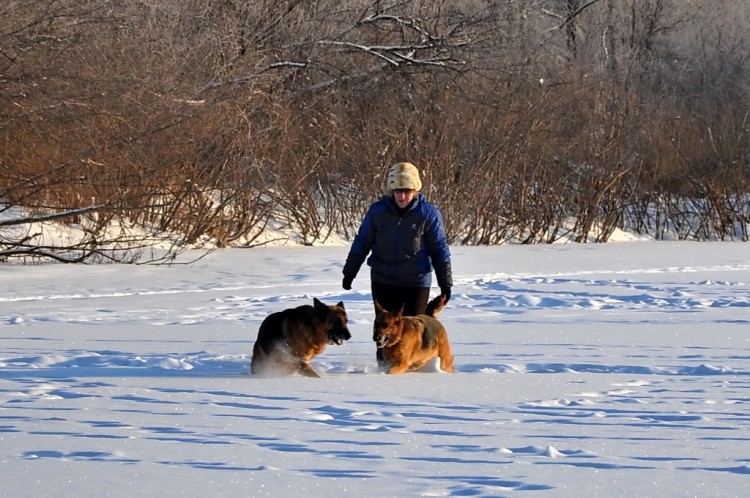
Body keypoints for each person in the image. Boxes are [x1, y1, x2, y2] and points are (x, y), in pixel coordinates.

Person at [342, 162, 453, 365]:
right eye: (398, 191)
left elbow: (439, 249)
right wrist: (350, 271)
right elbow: (362, 242)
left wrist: (445, 282)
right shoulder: (378, 212)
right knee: (383, 329)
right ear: (392, 191)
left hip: (416, 282)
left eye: (407, 192)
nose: (402, 197)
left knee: (412, 333)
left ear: (415, 190)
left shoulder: (428, 214)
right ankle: (382, 369)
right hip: (383, 279)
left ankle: (415, 371)